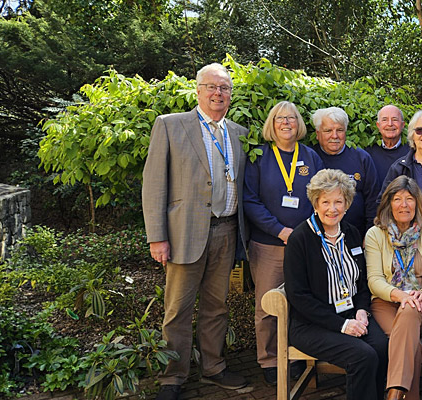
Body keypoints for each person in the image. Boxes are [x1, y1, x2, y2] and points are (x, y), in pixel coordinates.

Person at [142, 63, 249, 400]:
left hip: (227, 231)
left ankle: (214, 367)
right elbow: (154, 184)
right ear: (198, 90)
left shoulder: (240, 133)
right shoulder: (171, 125)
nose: (218, 94)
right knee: (177, 309)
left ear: (231, 94)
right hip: (183, 234)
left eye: (225, 88)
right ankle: (172, 377)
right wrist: (157, 236)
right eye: (212, 87)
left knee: (217, 306)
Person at [283, 169, 388, 400]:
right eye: (326, 202)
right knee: (362, 356)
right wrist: (343, 325)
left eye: (338, 201)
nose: (332, 208)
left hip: (351, 315)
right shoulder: (300, 239)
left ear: (347, 204)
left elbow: (361, 283)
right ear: (315, 204)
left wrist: (361, 311)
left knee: (381, 347)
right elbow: (299, 297)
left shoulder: (351, 233)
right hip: (311, 325)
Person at [242, 101, 324, 386]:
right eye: (280, 118)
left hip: (306, 245)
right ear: (271, 124)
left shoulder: (311, 157)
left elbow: (323, 197)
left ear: (299, 123)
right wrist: (280, 231)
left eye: (291, 118)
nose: (286, 122)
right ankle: (269, 359)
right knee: (268, 306)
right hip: (269, 245)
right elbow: (250, 200)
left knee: (305, 302)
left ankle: (301, 354)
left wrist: (306, 232)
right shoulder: (259, 157)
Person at [365, 176, 422, 400]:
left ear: (417, 203)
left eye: (409, 199)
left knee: (409, 311)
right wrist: (399, 295)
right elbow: (374, 280)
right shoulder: (375, 234)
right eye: (397, 199)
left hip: (419, 305)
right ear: (389, 204)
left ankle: (394, 393)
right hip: (385, 303)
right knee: (411, 345)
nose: (404, 205)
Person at [311, 107, 380, 235]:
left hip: (356, 234)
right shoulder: (309, 157)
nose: (335, 136)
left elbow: (373, 199)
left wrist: (370, 233)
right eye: (328, 131)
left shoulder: (362, 158)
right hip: (316, 235)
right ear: (317, 133)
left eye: (340, 130)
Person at [366, 105, 410, 183]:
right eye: (384, 120)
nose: (390, 124)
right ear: (378, 126)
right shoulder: (368, 152)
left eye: (395, 120)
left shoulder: (412, 152)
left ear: (402, 125)